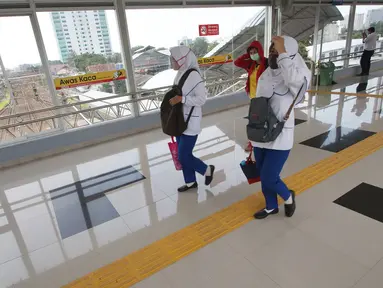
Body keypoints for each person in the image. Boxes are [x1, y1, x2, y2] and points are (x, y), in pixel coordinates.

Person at [251, 35, 311, 219]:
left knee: (270, 176)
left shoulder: (298, 74)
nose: (272, 55)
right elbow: (257, 107)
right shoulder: (265, 75)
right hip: (261, 134)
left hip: (281, 135)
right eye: (271, 51)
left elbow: (300, 92)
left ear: (288, 54)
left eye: (276, 51)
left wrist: (282, 54)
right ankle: (271, 206)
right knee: (263, 175)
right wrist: (251, 136)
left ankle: (288, 196)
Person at [168, 46, 215, 192]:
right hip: (180, 120)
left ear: (182, 59)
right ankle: (190, 182)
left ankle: (207, 170)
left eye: (173, 59)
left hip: (190, 121)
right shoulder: (180, 74)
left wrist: (182, 99)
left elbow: (201, 99)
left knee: (183, 155)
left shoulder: (194, 75)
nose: (171, 61)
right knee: (185, 154)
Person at [235, 41, 268, 152]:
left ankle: (259, 141)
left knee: (261, 121)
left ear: (260, 51)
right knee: (254, 121)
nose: (253, 54)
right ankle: (253, 142)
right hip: (253, 98)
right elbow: (237, 62)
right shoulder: (251, 64)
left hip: (264, 98)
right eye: (251, 52)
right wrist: (247, 55)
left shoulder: (267, 63)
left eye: (255, 51)